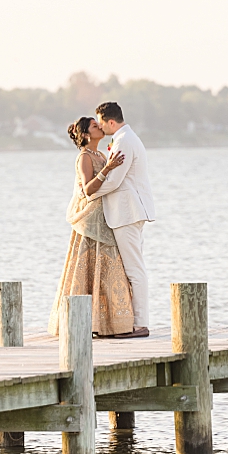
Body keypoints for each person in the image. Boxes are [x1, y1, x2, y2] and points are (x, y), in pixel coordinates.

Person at [49, 116, 135, 338]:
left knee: (110, 270)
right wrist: (107, 169)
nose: (100, 127)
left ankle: (111, 325)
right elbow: (88, 190)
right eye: (95, 126)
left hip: (105, 217)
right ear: (86, 134)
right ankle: (82, 323)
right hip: (89, 220)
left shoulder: (101, 154)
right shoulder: (84, 157)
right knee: (88, 269)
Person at [93, 100, 156, 337]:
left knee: (134, 270)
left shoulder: (123, 141)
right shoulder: (124, 139)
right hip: (128, 212)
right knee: (133, 268)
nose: (100, 128)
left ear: (111, 122)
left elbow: (114, 181)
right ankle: (132, 321)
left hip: (128, 213)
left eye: (101, 123)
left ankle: (140, 324)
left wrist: (88, 193)